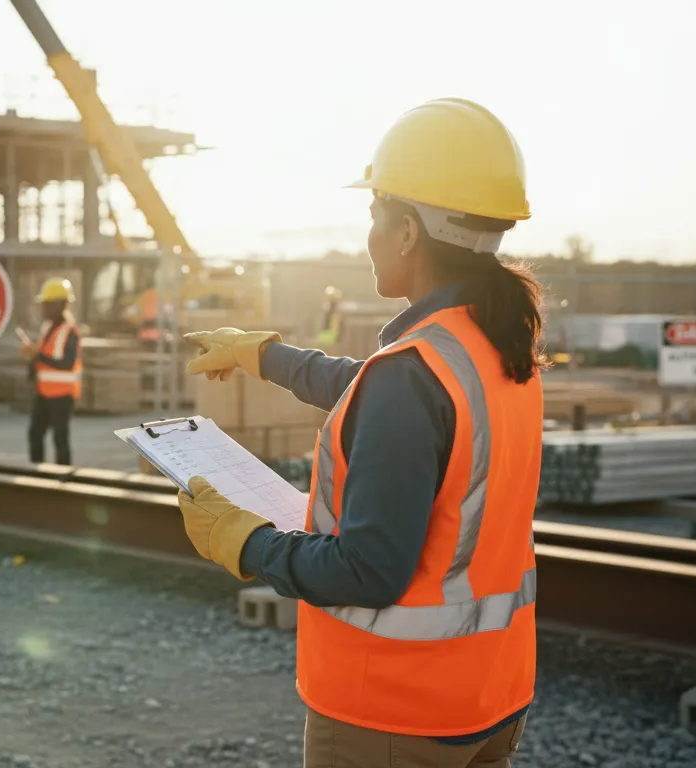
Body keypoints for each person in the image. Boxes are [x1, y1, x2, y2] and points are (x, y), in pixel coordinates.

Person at [179, 98, 544, 768]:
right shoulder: (492, 345)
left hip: (394, 713)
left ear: (407, 232)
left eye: (374, 216)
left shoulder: (417, 372)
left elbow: (368, 571)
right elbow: (381, 397)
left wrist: (248, 544)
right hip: (486, 695)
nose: (367, 237)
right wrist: (265, 355)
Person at [21, 277, 81, 465]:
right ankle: (37, 475)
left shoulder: (70, 331)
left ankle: (63, 477)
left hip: (62, 396)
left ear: (61, 305)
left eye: (48, 304)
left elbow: (67, 363)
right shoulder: (47, 328)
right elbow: (43, 356)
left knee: (60, 438)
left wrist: (37, 356)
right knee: (35, 434)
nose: (44, 308)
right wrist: (32, 361)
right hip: (43, 393)